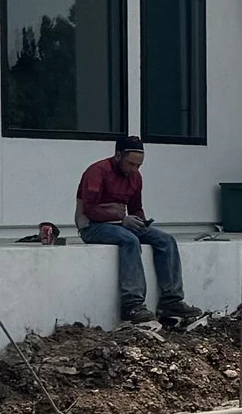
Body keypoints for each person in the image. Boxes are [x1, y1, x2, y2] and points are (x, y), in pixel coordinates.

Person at [75, 137, 191, 325]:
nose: (134, 169)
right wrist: (121, 219)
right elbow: (89, 209)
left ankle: (171, 300)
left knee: (166, 240)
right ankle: (132, 304)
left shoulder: (136, 177)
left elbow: (136, 207)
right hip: (92, 227)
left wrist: (142, 222)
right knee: (129, 240)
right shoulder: (97, 172)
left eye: (139, 165)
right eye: (131, 164)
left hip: (122, 224)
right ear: (118, 156)